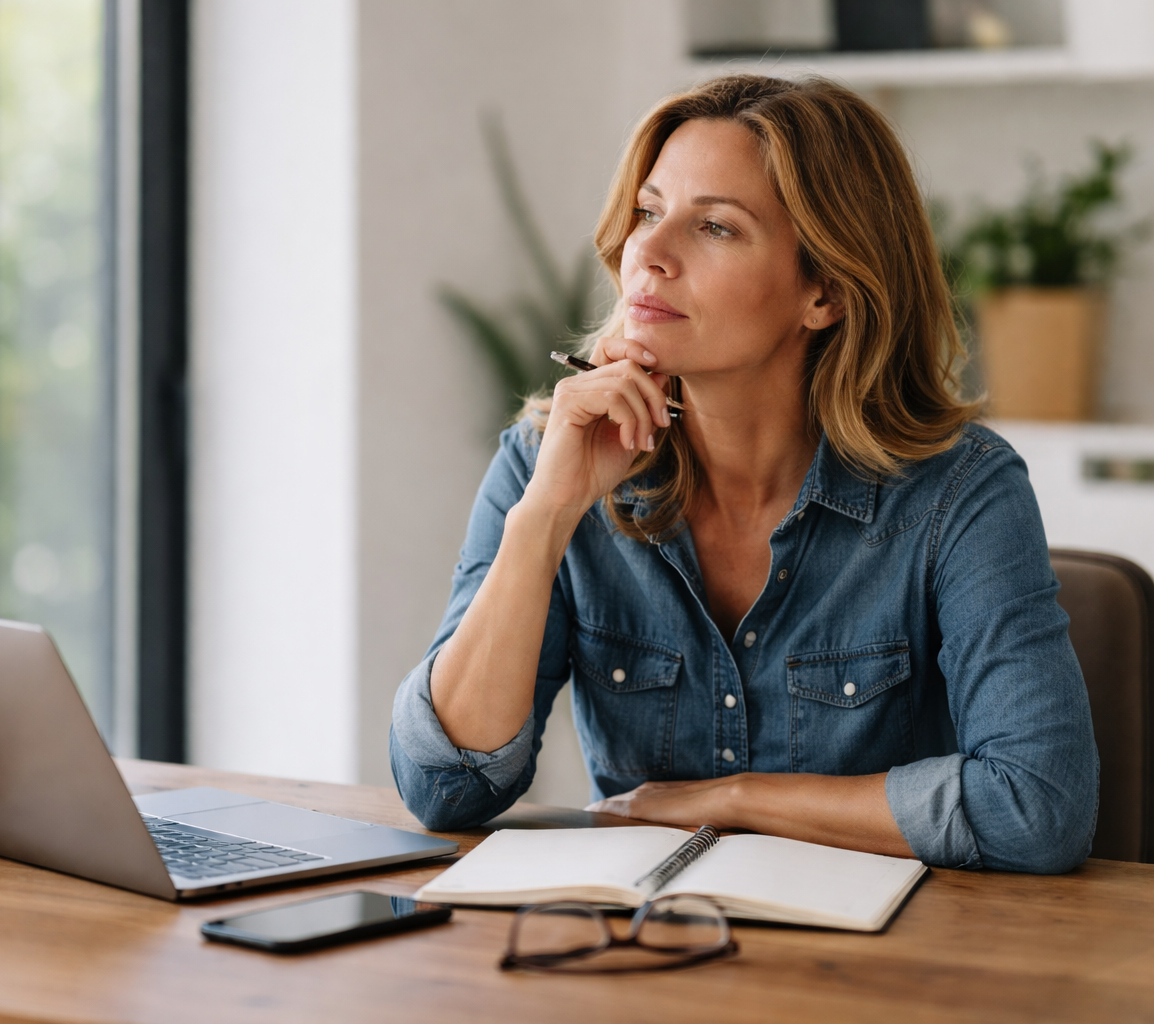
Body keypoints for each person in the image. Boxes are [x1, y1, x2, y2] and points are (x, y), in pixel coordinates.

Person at [390, 74, 1098, 873]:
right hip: (642, 959)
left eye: (716, 228)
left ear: (824, 290)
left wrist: (732, 800)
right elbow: (444, 788)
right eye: (649, 212)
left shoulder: (959, 492)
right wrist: (545, 514)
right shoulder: (547, 461)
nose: (647, 253)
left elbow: (1037, 807)